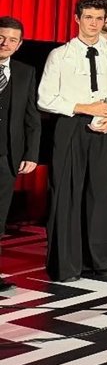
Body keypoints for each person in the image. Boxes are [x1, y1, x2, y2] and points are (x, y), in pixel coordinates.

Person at [38, 0, 107, 282]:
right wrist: (84, 107)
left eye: (99, 18)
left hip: (104, 127)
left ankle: (103, 260)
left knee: (102, 193)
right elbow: (45, 98)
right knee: (67, 193)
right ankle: (66, 264)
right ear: (77, 19)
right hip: (70, 126)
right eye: (89, 17)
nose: (94, 23)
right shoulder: (60, 55)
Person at [0, 16, 41, 287]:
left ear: (19, 44)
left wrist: (31, 153)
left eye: (12, 40)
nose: (5, 43)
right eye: (1, 37)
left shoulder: (25, 72)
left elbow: (31, 117)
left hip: (7, 156)